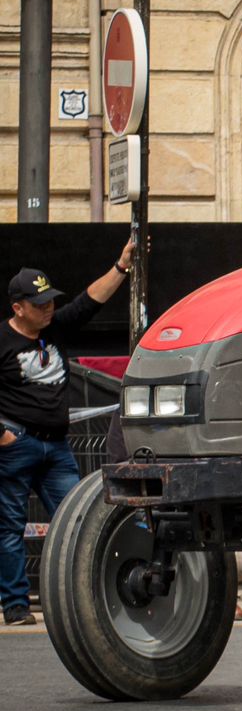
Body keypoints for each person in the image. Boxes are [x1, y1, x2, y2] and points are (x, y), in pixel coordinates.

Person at [0, 245, 136, 625]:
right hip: (17, 444)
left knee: (79, 520)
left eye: (50, 301)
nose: (48, 308)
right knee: (9, 528)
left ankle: (82, 597)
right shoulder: (3, 341)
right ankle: (14, 606)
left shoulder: (55, 327)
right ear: (18, 308)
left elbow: (90, 299)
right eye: (39, 303)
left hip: (56, 446)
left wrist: (121, 266)